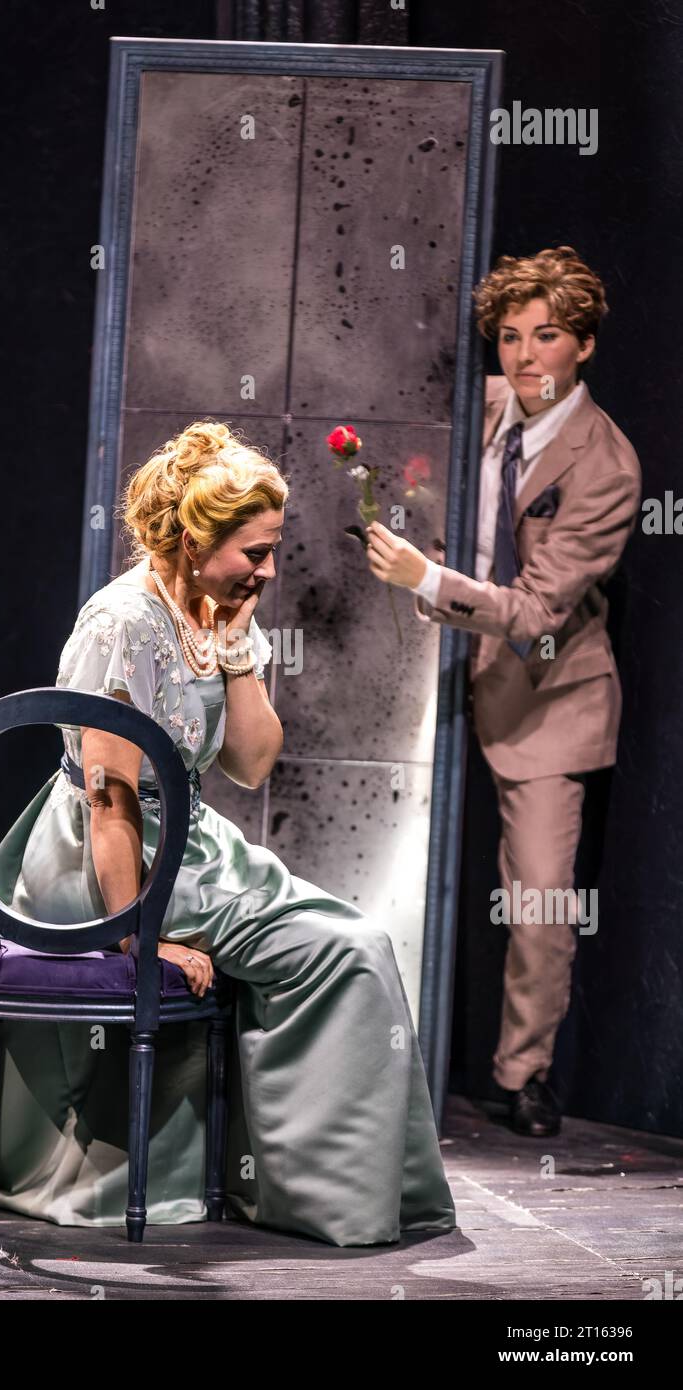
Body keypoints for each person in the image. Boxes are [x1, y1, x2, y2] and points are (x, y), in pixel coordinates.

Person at [0, 420, 457, 1248]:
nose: (268, 571)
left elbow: (251, 761)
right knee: (346, 952)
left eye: (271, 550)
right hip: (104, 858)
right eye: (254, 552)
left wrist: (235, 655)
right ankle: (315, 1195)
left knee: (356, 944)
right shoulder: (121, 624)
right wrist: (140, 937)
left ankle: (309, 1186)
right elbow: (108, 801)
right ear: (195, 538)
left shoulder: (216, 611)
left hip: (193, 843)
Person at [365, 246, 641, 1138]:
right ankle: (363, 1053)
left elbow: (532, 612)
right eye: (511, 336)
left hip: (547, 694)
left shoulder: (606, 464)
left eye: (547, 336)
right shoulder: (470, 408)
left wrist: (422, 576)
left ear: (584, 346)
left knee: (537, 903)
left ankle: (523, 1076)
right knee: (379, 861)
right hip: (430, 676)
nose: (524, 356)